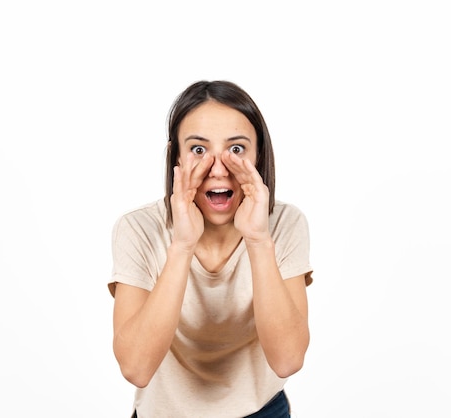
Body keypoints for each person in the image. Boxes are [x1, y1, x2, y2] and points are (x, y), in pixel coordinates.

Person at [108, 80, 313, 417]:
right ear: (176, 156)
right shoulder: (138, 229)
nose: (218, 169)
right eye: (199, 150)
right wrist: (182, 245)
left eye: (236, 149)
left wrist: (259, 241)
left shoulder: (285, 223)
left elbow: (288, 360)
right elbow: (136, 368)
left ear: (259, 155)